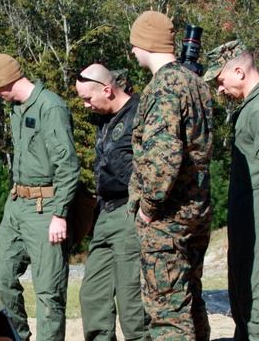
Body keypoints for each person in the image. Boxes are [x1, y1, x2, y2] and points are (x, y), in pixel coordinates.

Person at [127, 11, 213, 340]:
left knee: (166, 313)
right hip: (196, 212)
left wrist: (148, 208)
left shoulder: (165, 86)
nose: (132, 51)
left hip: (168, 220)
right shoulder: (196, 84)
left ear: (144, 42)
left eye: (133, 43)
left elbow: (163, 156)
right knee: (190, 303)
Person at [0, 54, 80, 341]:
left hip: (47, 206)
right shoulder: (16, 108)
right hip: (17, 203)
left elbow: (68, 166)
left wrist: (60, 214)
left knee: (49, 292)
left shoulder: (51, 106)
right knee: (1, 280)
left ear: (6, 82)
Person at [75, 64, 147, 341]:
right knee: (92, 295)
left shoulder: (141, 114)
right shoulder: (105, 119)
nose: (85, 105)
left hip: (131, 212)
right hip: (104, 214)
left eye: (88, 98)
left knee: (132, 299)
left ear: (107, 89)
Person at [203, 39, 259, 341]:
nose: (220, 89)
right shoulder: (249, 108)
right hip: (247, 225)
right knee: (243, 298)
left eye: (221, 80)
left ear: (239, 71)